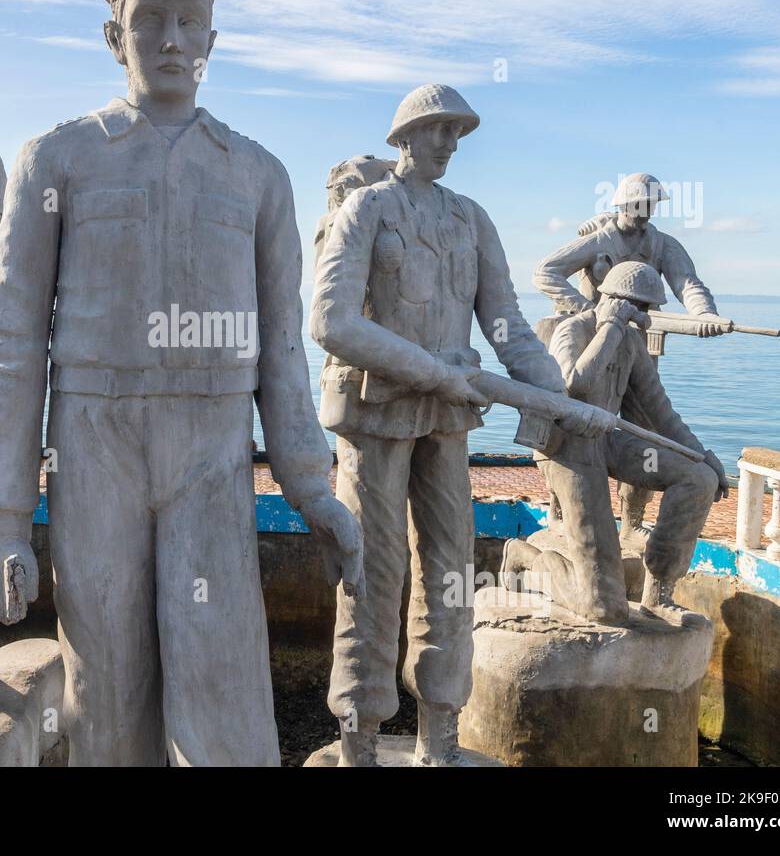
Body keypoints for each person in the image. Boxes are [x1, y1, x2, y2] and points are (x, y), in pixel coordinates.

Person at [0, 0, 363, 766]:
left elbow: (283, 345)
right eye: (150, 20)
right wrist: (5, 516)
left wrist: (310, 484)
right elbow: (11, 337)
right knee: (105, 688)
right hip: (93, 447)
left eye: (190, 22)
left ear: (214, 39)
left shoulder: (256, 173)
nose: (172, 40)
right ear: (116, 36)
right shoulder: (57, 159)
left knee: (221, 680)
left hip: (212, 454)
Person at [310, 83, 604, 766]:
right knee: (372, 573)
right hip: (375, 419)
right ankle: (358, 738)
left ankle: (437, 741)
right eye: (437, 129)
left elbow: (506, 326)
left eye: (457, 132)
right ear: (404, 136)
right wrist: (432, 369)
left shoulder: (471, 219)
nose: (448, 143)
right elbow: (331, 323)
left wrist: (556, 397)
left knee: (449, 572)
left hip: (446, 423)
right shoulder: (366, 210)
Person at [502, 261, 727, 625]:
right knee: (604, 607)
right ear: (617, 302)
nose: (646, 317)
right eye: (639, 308)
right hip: (568, 449)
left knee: (697, 479)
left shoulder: (631, 342)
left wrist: (704, 456)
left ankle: (659, 593)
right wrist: (609, 328)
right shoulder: (573, 330)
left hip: (606, 440)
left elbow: (659, 413)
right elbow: (572, 388)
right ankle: (526, 558)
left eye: (647, 309)